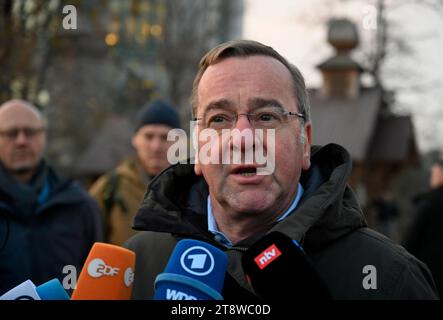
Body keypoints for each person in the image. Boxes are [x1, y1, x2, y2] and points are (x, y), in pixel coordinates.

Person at [124, 40, 438, 299]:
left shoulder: (391, 280)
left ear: (305, 142)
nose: (243, 138)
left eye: (266, 117)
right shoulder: (134, 267)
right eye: (219, 119)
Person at [0, 99, 103, 295]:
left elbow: (95, 281)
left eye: (30, 132)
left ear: (44, 137)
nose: (21, 140)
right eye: (11, 133)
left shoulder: (81, 206)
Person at [89, 100, 181, 245]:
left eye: (165, 137)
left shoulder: (193, 190)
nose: (156, 146)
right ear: (135, 139)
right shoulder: (112, 187)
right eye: (149, 136)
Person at [403, 157, 443, 295]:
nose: (432, 176)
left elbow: (412, 238)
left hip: (429, 271)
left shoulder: (430, 201)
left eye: (434, 172)